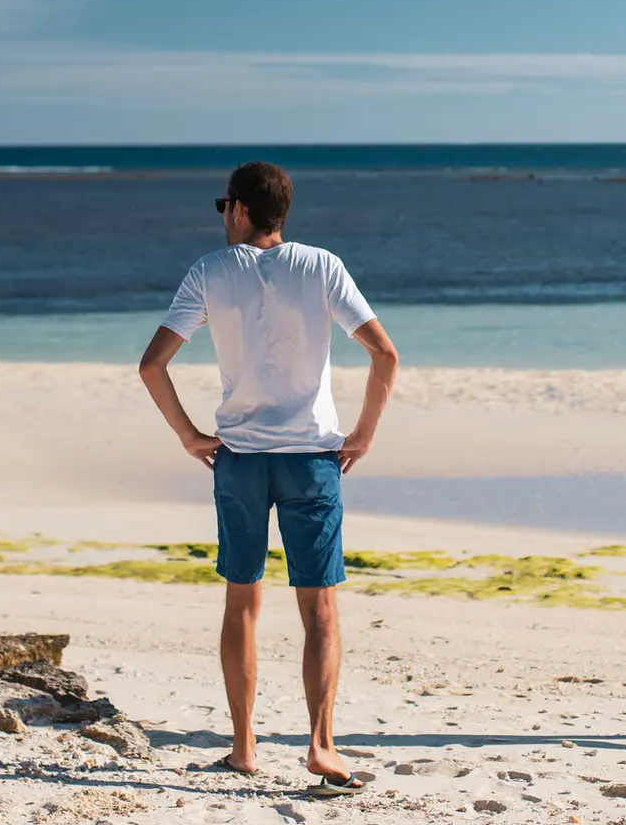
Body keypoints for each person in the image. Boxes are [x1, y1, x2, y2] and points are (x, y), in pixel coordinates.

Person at [139, 161, 399, 796]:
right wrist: (363, 434)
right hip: (312, 458)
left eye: (223, 203)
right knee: (320, 607)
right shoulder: (323, 266)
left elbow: (151, 365)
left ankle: (244, 747)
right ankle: (320, 745)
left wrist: (188, 434)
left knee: (242, 602)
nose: (222, 214)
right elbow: (385, 354)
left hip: (240, 458)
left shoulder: (209, 270)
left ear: (239, 209)